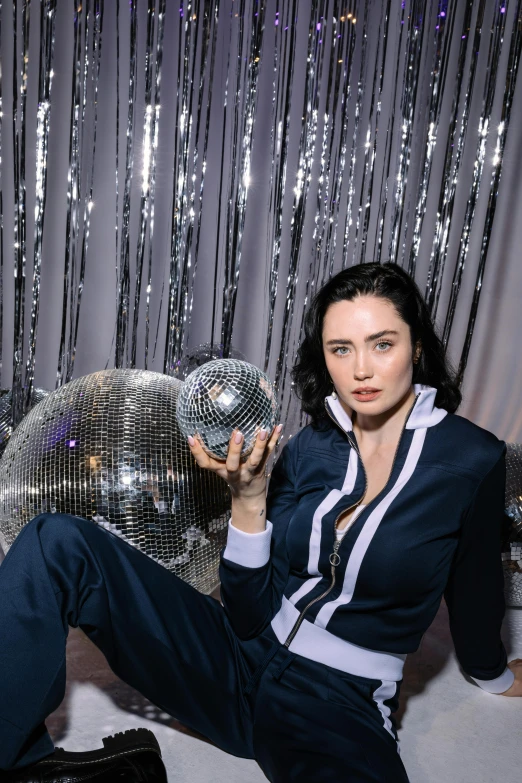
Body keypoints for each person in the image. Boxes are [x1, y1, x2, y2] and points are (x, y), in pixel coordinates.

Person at [0, 262, 520, 782]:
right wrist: (248, 498)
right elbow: (247, 613)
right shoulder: (311, 447)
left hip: (335, 706)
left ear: (418, 347)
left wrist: (492, 674)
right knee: (55, 542)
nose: (361, 369)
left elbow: (475, 587)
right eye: (341, 349)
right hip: (232, 656)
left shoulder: (471, 459)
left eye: (382, 344)